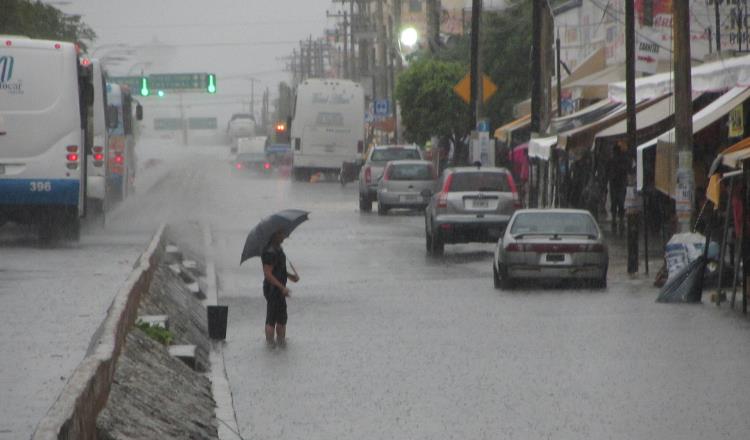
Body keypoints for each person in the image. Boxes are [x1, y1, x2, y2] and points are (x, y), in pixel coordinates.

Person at [261, 230, 299, 347]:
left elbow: (279, 269)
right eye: (282, 234)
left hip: (279, 289)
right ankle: (270, 346)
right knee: (271, 318)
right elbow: (268, 273)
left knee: (282, 319)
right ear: (275, 235)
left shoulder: (278, 249)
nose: (285, 236)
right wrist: (282, 287)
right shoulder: (269, 252)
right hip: (272, 289)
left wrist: (291, 276)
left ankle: (281, 345)